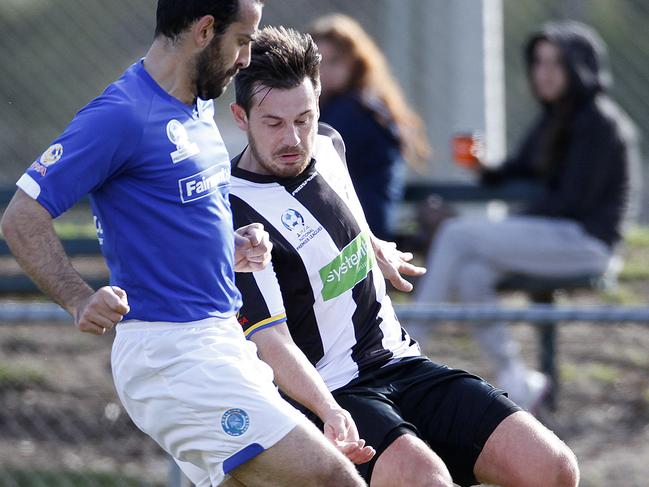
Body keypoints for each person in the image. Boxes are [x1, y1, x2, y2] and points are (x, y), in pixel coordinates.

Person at [0, 2, 372, 486]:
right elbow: (22, 216)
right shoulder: (122, 115)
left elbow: (175, 218)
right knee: (332, 478)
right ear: (204, 31)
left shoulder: (196, 110)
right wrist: (77, 297)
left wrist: (229, 245)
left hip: (220, 342)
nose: (245, 59)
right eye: (242, 41)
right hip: (172, 353)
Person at [228, 25, 580, 487]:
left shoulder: (330, 144)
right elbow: (269, 341)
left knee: (554, 468)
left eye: (304, 118)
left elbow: (338, 207)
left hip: (402, 362)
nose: (293, 137)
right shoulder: (234, 212)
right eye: (273, 123)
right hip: (332, 390)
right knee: (428, 482)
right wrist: (328, 411)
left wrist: (372, 245)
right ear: (241, 117)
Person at [413, 21, 640, 410]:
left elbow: (569, 203)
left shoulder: (598, 121)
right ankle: (519, 383)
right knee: (471, 273)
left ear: (579, 68)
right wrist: (485, 169)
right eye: (538, 62)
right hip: (560, 235)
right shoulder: (556, 116)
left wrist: (488, 227)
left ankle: (407, 347)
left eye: (556, 63)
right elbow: (520, 168)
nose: (544, 72)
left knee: (455, 234)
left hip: (587, 242)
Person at [308, 14, 430, 241]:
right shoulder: (364, 104)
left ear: (356, 62)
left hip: (356, 232)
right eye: (318, 63)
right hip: (359, 226)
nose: (323, 71)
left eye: (334, 61)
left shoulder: (353, 110)